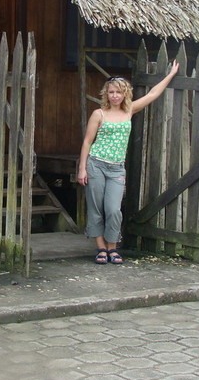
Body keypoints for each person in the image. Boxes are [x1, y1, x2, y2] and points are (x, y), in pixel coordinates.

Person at [77, 60, 181, 264]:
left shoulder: (129, 110)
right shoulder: (98, 114)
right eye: (111, 92)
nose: (115, 96)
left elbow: (152, 95)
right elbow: (87, 142)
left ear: (125, 94)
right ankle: (101, 249)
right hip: (96, 165)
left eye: (118, 92)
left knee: (114, 209)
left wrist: (170, 75)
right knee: (96, 208)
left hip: (116, 168)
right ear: (106, 94)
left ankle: (113, 247)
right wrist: (82, 169)